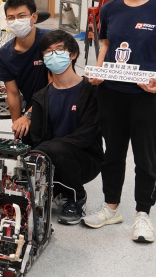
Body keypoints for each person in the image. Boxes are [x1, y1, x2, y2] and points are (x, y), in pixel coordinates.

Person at [83, 0, 156, 243]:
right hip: (112, 91)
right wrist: (99, 72)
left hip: (146, 95)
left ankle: (143, 214)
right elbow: (105, 45)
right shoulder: (111, 7)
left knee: (146, 156)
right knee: (112, 153)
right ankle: (111, 206)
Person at [29, 30, 103, 225]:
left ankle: (76, 197)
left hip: (86, 159)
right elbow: (37, 139)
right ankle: (56, 189)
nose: (53, 56)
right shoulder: (40, 97)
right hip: (51, 158)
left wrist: (49, 149)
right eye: (48, 52)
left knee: (55, 149)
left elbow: (86, 135)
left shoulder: (91, 91)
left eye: (59, 50)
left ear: (72, 54)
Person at [0, 0, 50, 141]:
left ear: (34, 17)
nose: (16, 21)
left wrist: (28, 115)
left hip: (58, 104)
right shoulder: (4, 55)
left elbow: (55, 85)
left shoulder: (51, 41)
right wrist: (17, 126)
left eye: (21, 16)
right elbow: (13, 94)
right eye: (11, 18)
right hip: (33, 112)